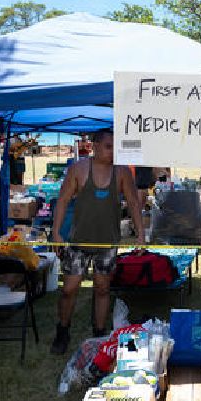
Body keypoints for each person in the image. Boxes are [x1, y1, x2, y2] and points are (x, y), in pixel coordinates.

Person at [50, 129, 145, 355]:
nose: (112, 152)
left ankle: (99, 333)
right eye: (108, 146)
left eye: (115, 147)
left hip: (107, 243)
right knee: (69, 289)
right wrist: (56, 232)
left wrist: (141, 234)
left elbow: (133, 203)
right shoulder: (79, 169)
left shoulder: (122, 172)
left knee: (103, 288)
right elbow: (62, 201)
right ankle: (63, 330)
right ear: (94, 146)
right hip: (78, 242)